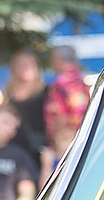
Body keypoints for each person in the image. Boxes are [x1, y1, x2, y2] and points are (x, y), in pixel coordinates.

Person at [42, 45, 90, 182]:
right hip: (81, 138)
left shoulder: (61, 83)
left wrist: (56, 142)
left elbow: (60, 114)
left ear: (58, 59)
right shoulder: (80, 81)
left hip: (65, 142)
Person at [2, 49, 49, 170]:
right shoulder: (9, 95)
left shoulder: (47, 92)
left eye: (29, 64)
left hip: (42, 149)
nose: (25, 68)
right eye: (21, 65)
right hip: (16, 150)